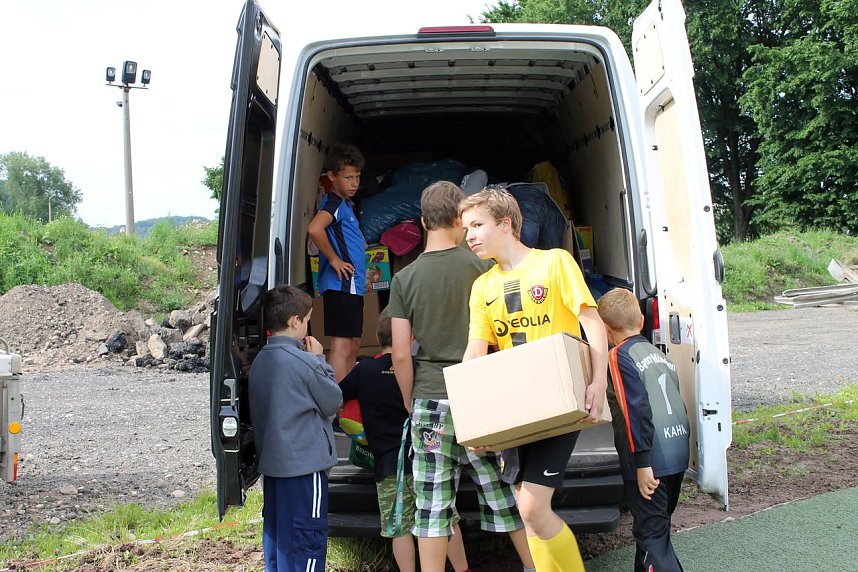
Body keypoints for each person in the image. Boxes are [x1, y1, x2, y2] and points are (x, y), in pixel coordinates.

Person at [460, 187, 609, 572]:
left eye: (477, 225)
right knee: (527, 515)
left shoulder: (555, 262)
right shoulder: (482, 286)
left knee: (531, 505)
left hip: (559, 402)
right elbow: (476, 351)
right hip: (516, 407)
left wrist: (597, 382)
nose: (469, 235)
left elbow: (591, 321)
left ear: (506, 223)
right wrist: (470, 417)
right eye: (466, 228)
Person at [388, 181, 534, 572]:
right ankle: (535, 566)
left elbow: (401, 353)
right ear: (459, 219)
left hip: (430, 399)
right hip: (480, 397)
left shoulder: (405, 279)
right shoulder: (482, 266)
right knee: (503, 489)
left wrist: (409, 397)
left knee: (433, 503)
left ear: (421, 222)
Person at [339, 307, 470, 572]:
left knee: (399, 525)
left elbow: (338, 394)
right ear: (411, 338)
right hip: (429, 457)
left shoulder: (365, 370)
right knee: (443, 518)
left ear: (378, 335)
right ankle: (462, 569)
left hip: (388, 464)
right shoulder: (421, 369)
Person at [248, 284, 343, 572]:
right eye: (307, 319)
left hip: (275, 469)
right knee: (307, 541)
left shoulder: (260, 361)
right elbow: (332, 401)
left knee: (280, 540)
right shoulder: (304, 362)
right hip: (305, 469)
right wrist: (319, 359)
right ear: (295, 322)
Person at [597, 288, 689, 572]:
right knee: (654, 534)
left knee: (652, 538)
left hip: (651, 463)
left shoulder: (619, 356)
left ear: (605, 329)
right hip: (676, 456)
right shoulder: (656, 353)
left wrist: (642, 463)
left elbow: (636, 410)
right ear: (641, 320)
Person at [307, 142, 367, 380]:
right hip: (341, 285)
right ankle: (338, 405)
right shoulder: (333, 203)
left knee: (353, 345)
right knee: (342, 346)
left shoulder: (346, 205)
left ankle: (348, 398)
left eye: (357, 177)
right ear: (332, 176)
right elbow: (314, 228)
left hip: (352, 285)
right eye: (348, 177)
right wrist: (334, 259)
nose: (354, 183)